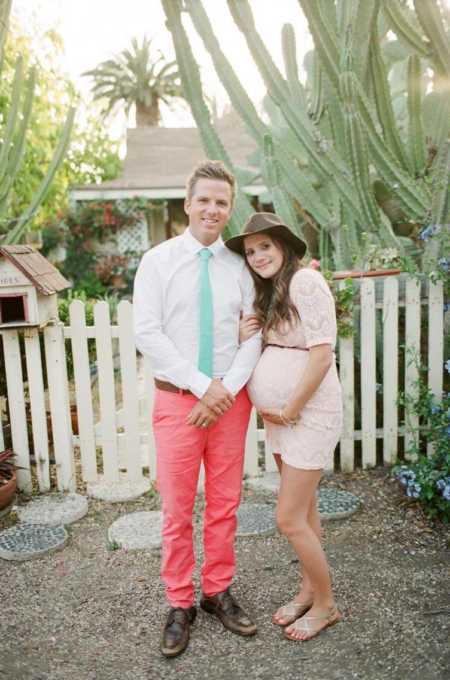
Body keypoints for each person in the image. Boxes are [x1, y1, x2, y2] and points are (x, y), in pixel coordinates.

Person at [133, 161, 261, 658]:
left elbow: (255, 331)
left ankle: (217, 592)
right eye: (204, 199)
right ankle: (179, 601)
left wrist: (223, 390)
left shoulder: (240, 265)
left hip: (230, 403)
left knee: (225, 504)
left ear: (230, 209)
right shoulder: (158, 261)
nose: (212, 209)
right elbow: (148, 332)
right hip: (179, 401)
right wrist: (201, 386)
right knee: (177, 508)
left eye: (222, 202)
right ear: (187, 203)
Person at [226, 212, 343, 642]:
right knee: (306, 510)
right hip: (282, 417)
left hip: (308, 414)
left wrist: (290, 406)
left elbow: (320, 355)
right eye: (250, 251)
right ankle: (309, 591)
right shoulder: (273, 292)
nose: (256, 256)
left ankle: (327, 604)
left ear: (285, 247)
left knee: (288, 518)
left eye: (265, 247)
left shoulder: (305, 283)